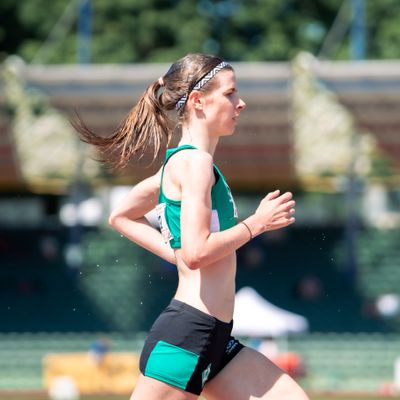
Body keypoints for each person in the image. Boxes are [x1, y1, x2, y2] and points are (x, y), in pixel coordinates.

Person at [73, 53, 308, 400]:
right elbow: (196, 253)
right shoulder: (195, 163)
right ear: (198, 101)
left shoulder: (182, 163)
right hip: (188, 335)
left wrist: (176, 253)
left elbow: (121, 216)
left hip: (216, 339)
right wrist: (255, 224)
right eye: (230, 94)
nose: (240, 103)